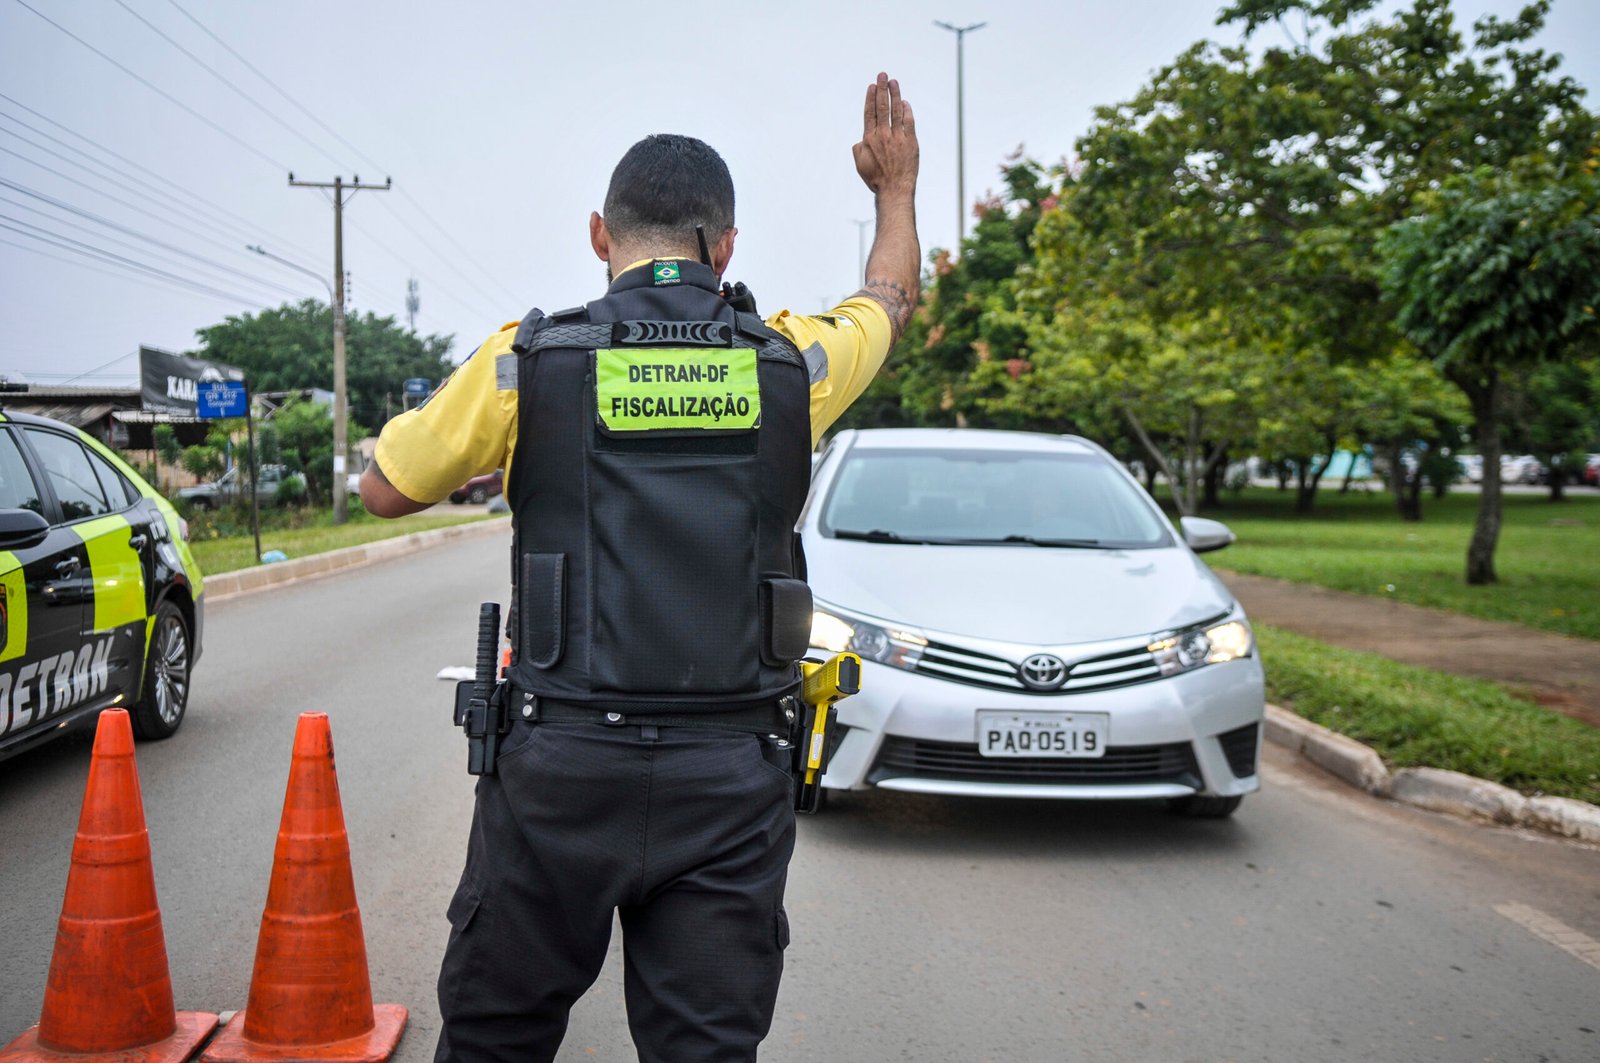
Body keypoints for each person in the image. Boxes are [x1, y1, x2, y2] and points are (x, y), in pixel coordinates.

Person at [361, 72, 920, 1061]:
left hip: (559, 768)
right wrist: (896, 192)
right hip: (730, 772)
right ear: (728, 244)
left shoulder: (522, 365)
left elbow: (385, 488)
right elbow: (888, 300)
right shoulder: (793, 363)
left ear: (598, 234)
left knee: (496, 1035)